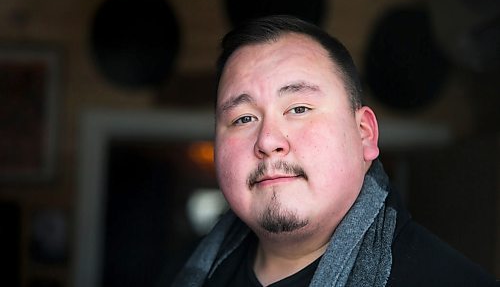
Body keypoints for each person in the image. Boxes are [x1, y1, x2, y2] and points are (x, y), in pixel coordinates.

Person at [172, 15, 497, 286]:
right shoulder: (179, 270)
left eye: (298, 109)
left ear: (364, 135)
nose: (268, 141)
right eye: (244, 118)